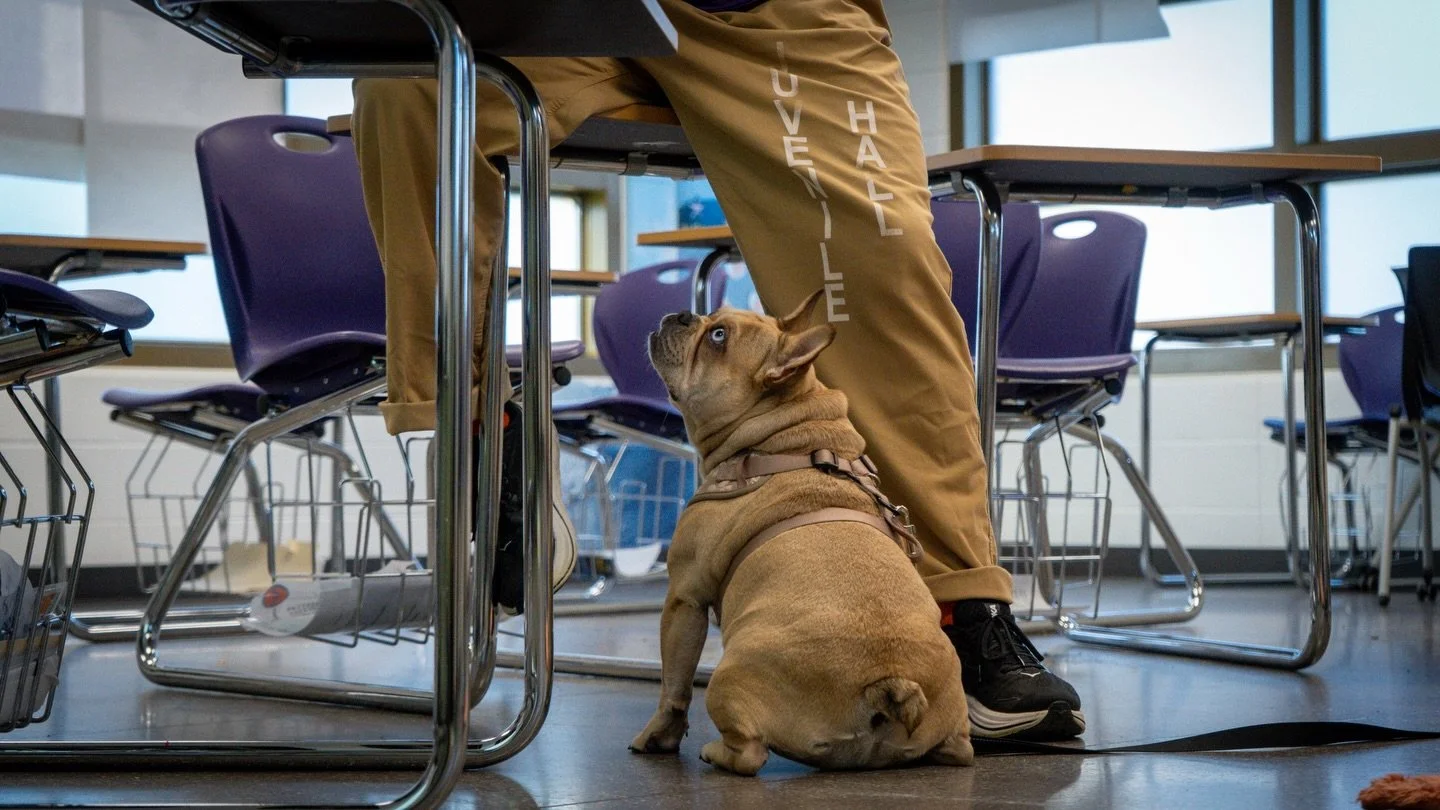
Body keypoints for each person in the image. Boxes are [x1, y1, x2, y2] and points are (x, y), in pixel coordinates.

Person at [351, 0, 1085, 741]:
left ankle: (960, 609)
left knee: (879, 265)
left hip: (771, 16)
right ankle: (488, 446)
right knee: (415, 80)